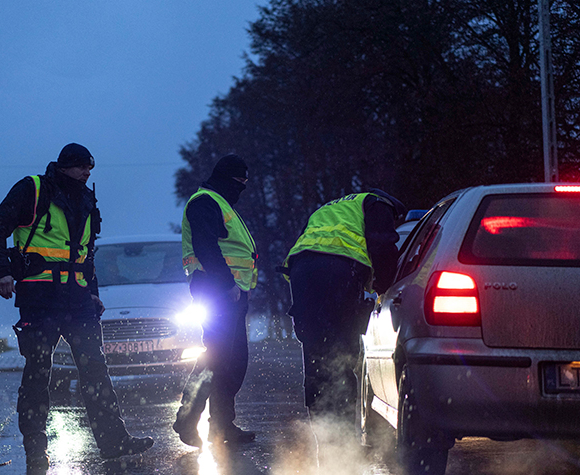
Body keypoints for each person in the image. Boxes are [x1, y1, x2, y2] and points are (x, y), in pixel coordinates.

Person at [0, 143, 154, 467]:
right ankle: (35, 447)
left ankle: (114, 441)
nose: (87, 173)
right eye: (81, 168)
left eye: (90, 168)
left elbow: (86, 253)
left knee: (96, 370)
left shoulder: (87, 200)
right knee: (38, 372)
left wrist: (93, 291)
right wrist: (2, 273)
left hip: (78, 300)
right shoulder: (32, 190)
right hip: (39, 297)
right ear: (63, 166)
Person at [281, 189, 405, 421]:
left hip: (301, 270)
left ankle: (321, 425)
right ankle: (343, 428)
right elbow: (384, 247)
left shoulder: (331, 208)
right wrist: (384, 286)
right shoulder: (379, 204)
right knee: (342, 348)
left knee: (315, 349)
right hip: (337, 269)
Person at [172, 154, 258, 447]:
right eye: (238, 183)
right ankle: (189, 420)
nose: (241, 189)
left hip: (230, 291)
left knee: (232, 360)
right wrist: (226, 284)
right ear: (226, 179)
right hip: (217, 289)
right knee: (217, 358)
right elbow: (205, 246)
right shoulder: (205, 202)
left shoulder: (220, 203)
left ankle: (222, 426)